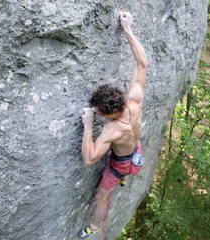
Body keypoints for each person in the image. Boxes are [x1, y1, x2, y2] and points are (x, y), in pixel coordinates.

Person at [78, 11, 148, 238]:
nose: (97, 116)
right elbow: (142, 64)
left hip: (119, 164)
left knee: (102, 195)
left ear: (108, 115)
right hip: (135, 150)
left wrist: (88, 124)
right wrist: (127, 28)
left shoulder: (110, 130)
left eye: (98, 114)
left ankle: (95, 227)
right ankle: (126, 175)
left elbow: (90, 158)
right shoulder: (134, 100)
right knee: (129, 155)